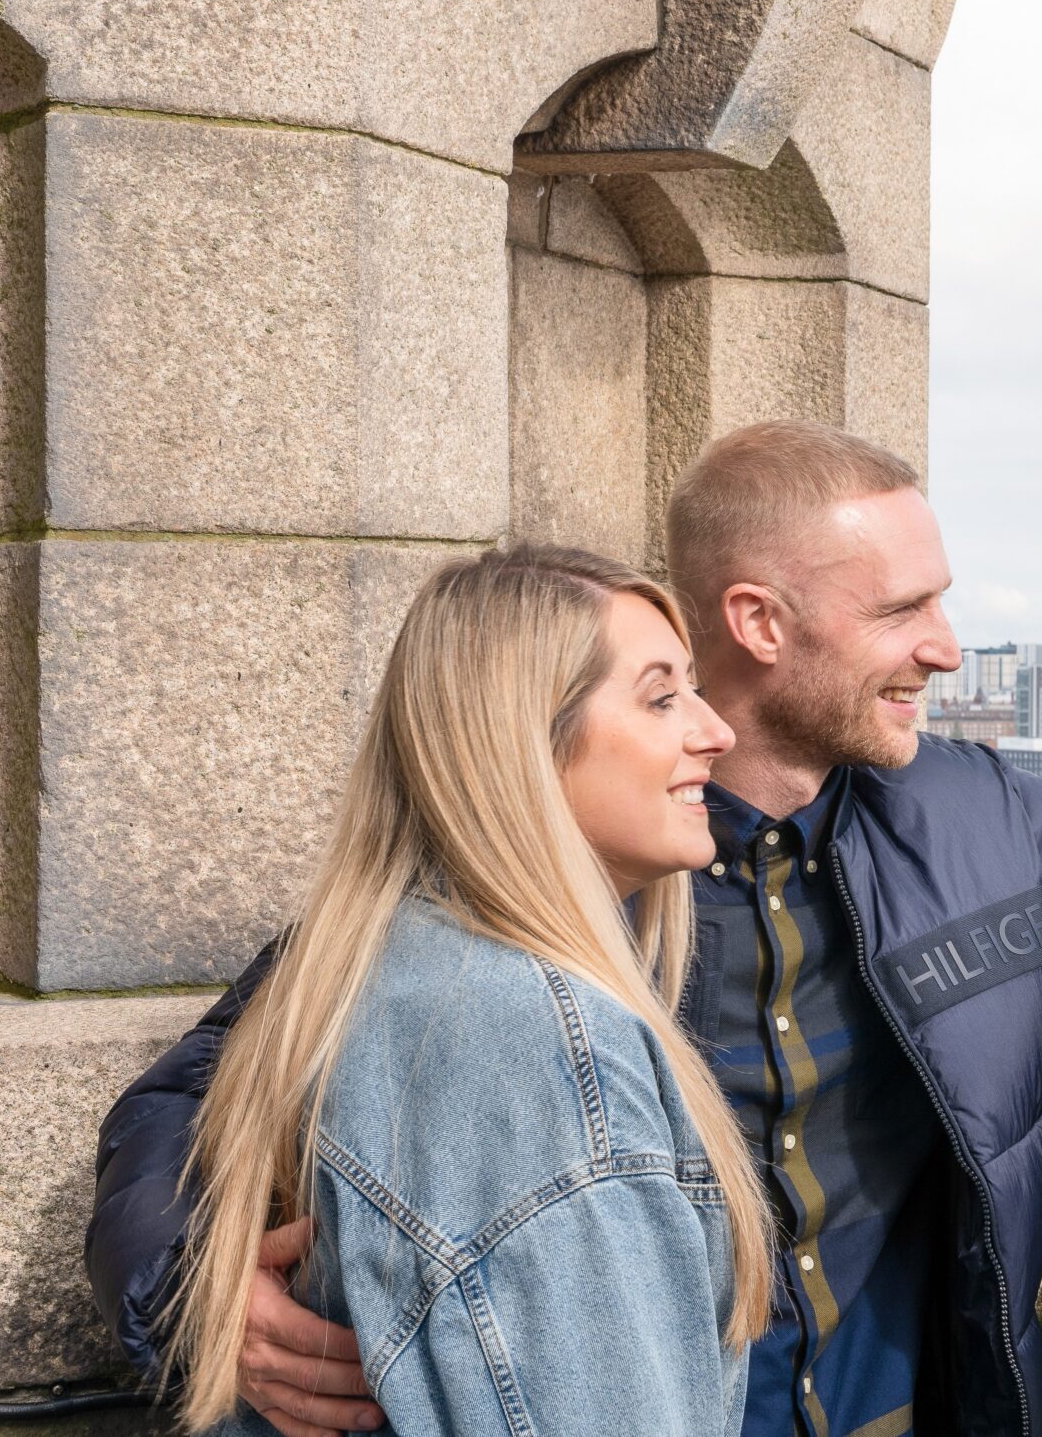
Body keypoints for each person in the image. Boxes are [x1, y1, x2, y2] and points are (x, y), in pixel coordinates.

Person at [92, 423, 1042, 1437]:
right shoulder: (519, 896)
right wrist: (198, 1289)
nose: (948, 648)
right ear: (759, 622)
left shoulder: (984, 822)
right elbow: (192, 1095)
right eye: (901, 610)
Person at [164, 546, 774, 1434]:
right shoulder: (530, 1044)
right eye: (661, 697)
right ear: (521, 743)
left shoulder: (403, 964)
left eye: (696, 689)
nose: (716, 731)